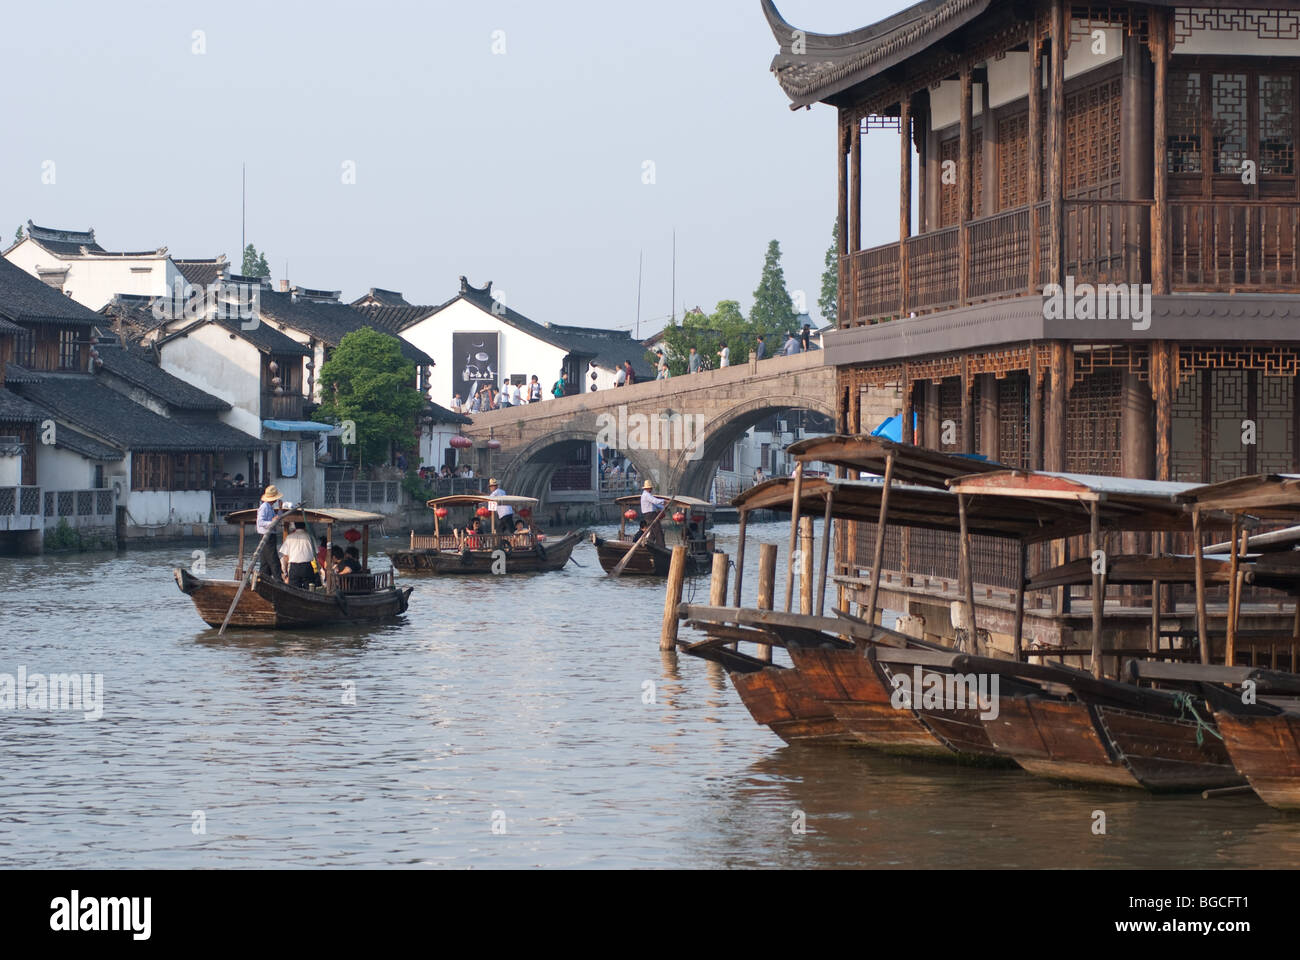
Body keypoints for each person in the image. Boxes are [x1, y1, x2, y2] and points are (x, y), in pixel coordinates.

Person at [279, 522, 317, 588]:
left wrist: (285, 572)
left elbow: (285, 556)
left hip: (294, 567)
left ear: (295, 526)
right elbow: (316, 553)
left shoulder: (289, 537)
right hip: (307, 566)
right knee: (309, 588)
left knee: (293, 589)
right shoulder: (310, 537)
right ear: (305, 526)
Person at [255, 485, 282, 576]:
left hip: (271, 536)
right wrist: (271, 522)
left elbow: (277, 518)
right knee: (274, 560)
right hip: (266, 536)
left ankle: (264, 577)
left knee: (265, 562)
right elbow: (260, 522)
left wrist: (280, 509)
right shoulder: (264, 507)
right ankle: (278, 580)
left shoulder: (270, 507)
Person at [640, 478, 667, 547]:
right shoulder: (646, 495)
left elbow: (655, 504)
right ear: (648, 488)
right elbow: (655, 501)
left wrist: (663, 507)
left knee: (652, 531)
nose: (651, 489)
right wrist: (664, 501)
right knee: (658, 530)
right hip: (650, 515)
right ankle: (661, 546)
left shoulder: (647, 495)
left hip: (649, 515)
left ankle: (649, 544)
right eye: (650, 488)